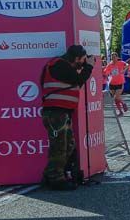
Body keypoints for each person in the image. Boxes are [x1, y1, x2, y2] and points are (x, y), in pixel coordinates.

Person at [40, 45, 94, 190]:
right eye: (82, 60)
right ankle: (56, 179)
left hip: (62, 112)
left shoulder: (62, 65)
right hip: (55, 113)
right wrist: (89, 67)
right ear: (76, 58)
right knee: (59, 146)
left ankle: (50, 175)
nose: (82, 63)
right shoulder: (59, 65)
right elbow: (77, 79)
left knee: (68, 145)